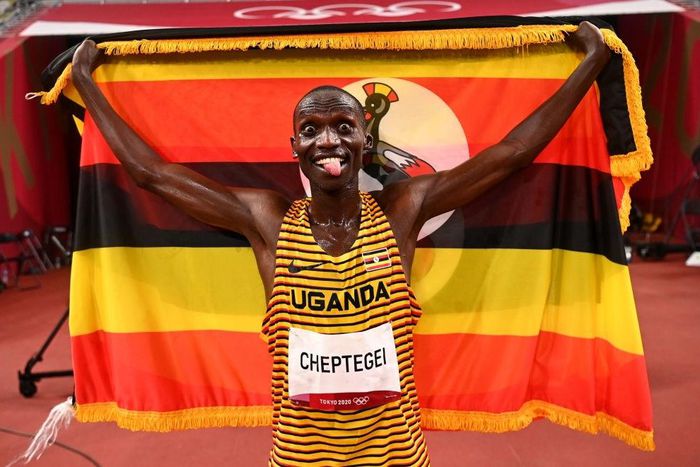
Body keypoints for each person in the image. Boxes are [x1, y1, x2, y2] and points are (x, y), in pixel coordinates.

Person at [71, 21, 610, 466]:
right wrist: (87, 83)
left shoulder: (403, 209)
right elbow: (154, 176)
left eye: (342, 126)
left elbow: (512, 153)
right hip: (301, 458)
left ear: (365, 139)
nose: (327, 140)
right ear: (294, 147)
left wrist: (589, 63)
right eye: (311, 129)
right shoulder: (267, 219)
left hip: (396, 457)